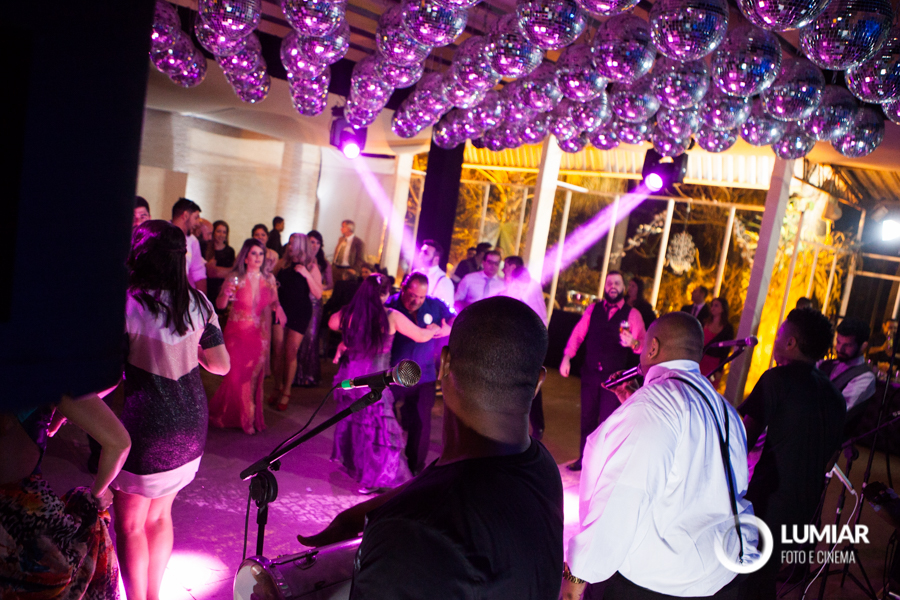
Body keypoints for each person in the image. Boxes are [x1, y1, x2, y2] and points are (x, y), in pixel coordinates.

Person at [301, 297, 563, 600]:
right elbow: (448, 481)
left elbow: (440, 498)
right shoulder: (541, 465)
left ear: (445, 364)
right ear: (538, 382)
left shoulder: (412, 534)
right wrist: (356, 517)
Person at [562, 312, 755, 600]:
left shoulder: (653, 407)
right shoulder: (726, 409)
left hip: (660, 584)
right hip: (720, 573)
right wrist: (635, 406)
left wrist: (575, 579)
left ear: (652, 348)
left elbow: (621, 501)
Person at [112, 220, 230, 600]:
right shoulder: (198, 304)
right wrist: (189, 352)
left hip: (146, 426)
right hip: (190, 425)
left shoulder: (129, 305)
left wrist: (68, 408)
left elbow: (108, 378)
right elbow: (221, 365)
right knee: (160, 516)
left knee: (130, 525)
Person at [738, 308, 846, 600]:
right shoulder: (835, 396)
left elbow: (740, 443)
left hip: (767, 502)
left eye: (779, 334)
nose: (774, 339)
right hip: (805, 508)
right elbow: (830, 458)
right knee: (763, 580)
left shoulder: (776, 380)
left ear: (791, 342)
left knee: (745, 581)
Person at [0, 393, 131, 599]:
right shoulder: (48, 381)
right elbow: (119, 444)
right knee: (88, 517)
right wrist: (99, 492)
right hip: (18, 515)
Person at [329, 274, 442, 494]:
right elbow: (420, 336)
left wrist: (347, 338)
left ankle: (365, 473)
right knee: (378, 431)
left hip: (352, 379)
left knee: (358, 426)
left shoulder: (351, 313)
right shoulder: (390, 316)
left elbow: (332, 322)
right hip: (374, 380)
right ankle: (376, 478)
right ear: (386, 293)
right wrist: (433, 329)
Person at [560, 271, 645, 471]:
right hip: (590, 373)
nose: (612, 286)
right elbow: (578, 333)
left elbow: (644, 344)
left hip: (614, 379)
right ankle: (584, 459)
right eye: (609, 283)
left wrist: (633, 343)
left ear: (623, 288)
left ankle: (601, 465)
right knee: (587, 419)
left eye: (617, 283)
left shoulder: (632, 314)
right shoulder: (593, 309)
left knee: (608, 422)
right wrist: (567, 356)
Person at [209, 239, 287, 434]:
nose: (258, 257)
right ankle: (234, 415)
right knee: (235, 376)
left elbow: (274, 301)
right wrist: (226, 294)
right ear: (245, 257)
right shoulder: (235, 278)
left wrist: (278, 308)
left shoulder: (269, 279)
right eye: (254, 253)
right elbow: (220, 305)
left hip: (258, 334)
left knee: (251, 376)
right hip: (236, 333)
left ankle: (247, 418)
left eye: (261, 254)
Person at [386, 273, 454, 475]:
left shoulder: (434, 305)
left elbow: (455, 317)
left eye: (421, 297)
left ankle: (416, 469)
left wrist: (448, 328)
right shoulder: (390, 305)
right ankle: (386, 462)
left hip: (424, 375)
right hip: (394, 373)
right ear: (403, 288)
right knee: (385, 416)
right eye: (413, 295)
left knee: (422, 422)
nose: (416, 301)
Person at [492, 256, 548, 439]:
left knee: (528, 384)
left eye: (506, 266)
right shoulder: (505, 288)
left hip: (527, 345)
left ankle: (534, 426)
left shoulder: (530, 287)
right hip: (507, 344)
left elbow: (539, 318)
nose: (503, 269)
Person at [270, 233, 323, 410]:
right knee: (278, 349)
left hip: (300, 311)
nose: (290, 246)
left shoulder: (311, 266)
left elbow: (318, 294)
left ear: (301, 245)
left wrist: (306, 274)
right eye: (290, 243)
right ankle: (277, 385)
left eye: (293, 243)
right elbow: (271, 282)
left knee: (291, 351)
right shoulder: (283, 263)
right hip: (281, 308)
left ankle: (287, 391)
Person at [818, 317, 876, 435]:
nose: (840, 349)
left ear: (863, 346)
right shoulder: (827, 364)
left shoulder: (865, 377)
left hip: (828, 436)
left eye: (848, 345)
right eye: (838, 342)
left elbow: (837, 412)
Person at [294, 230, 334, 388]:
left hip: (315, 303)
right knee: (299, 336)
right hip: (301, 301)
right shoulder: (300, 260)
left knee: (311, 337)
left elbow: (330, 284)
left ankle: (308, 375)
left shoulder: (323, 263)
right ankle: (296, 374)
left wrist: (318, 286)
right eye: (312, 242)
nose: (315, 245)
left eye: (318, 243)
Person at [170, 198, 207, 294]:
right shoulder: (161, 233)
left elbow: (199, 273)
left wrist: (201, 300)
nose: (198, 223)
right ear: (185, 215)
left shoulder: (193, 241)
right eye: (196, 218)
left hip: (180, 293)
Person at [205, 220, 236, 323]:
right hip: (207, 286)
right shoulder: (206, 248)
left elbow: (231, 271)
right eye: (219, 231)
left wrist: (215, 270)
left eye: (224, 232)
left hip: (221, 288)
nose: (221, 234)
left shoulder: (230, 251)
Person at [699, 297, 735, 385]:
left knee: (707, 386)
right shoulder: (705, 322)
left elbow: (725, 350)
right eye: (712, 305)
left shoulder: (727, 328)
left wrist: (719, 369)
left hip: (714, 363)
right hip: (700, 359)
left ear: (723, 309)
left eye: (716, 306)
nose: (713, 308)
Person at [412, 239, 456, 309]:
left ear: (436, 259)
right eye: (421, 251)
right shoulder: (416, 272)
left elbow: (447, 309)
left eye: (425, 253)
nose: (421, 254)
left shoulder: (444, 281)